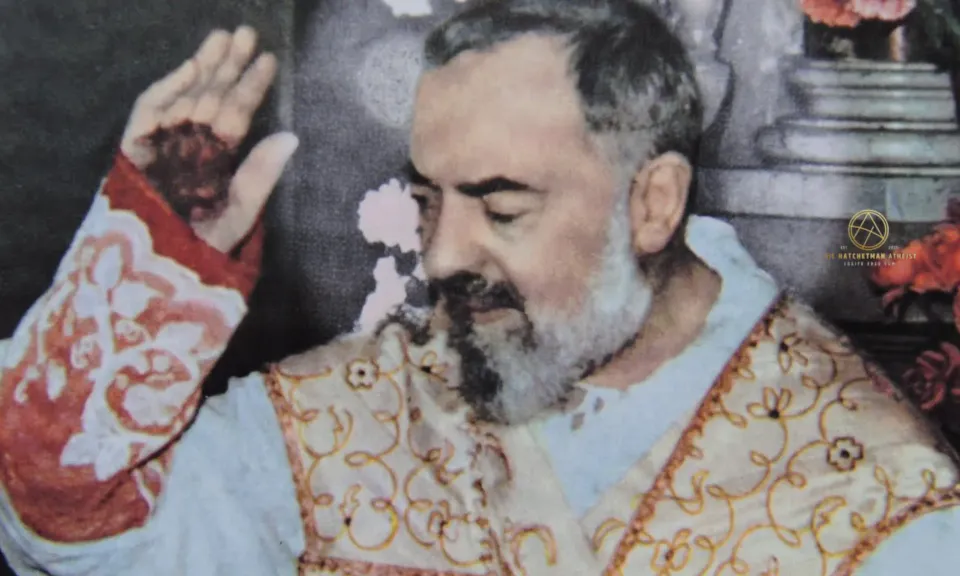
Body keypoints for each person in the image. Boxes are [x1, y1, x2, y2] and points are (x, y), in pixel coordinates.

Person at [1, 1, 959, 574]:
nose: (443, 254)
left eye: (501, 208)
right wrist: (139, 284)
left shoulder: (874, 498)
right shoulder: (355, 416)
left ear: (654, 202)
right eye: (427, 201)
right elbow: (87, 533)